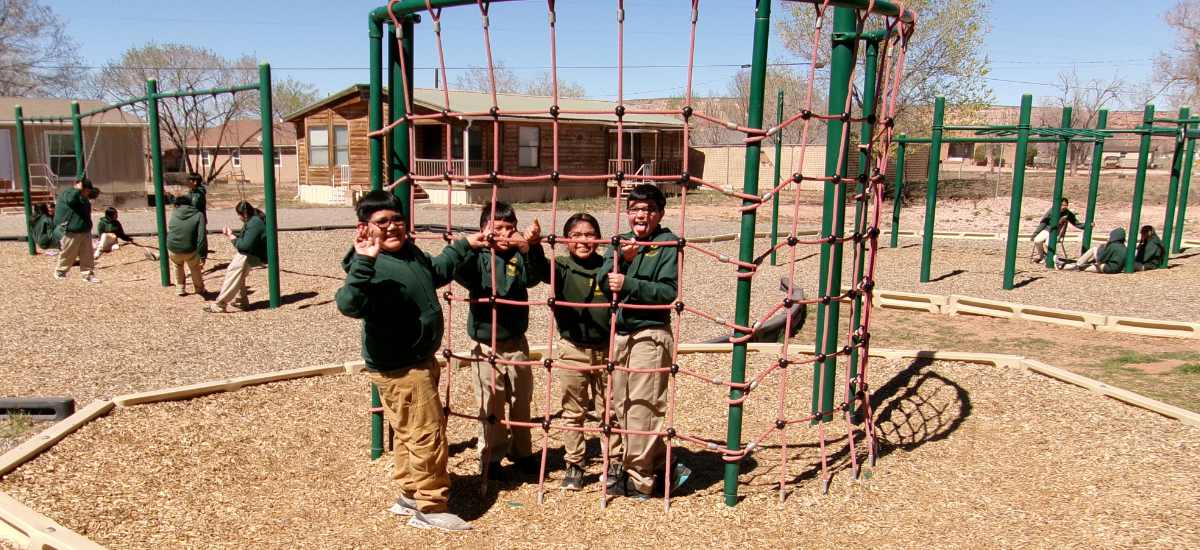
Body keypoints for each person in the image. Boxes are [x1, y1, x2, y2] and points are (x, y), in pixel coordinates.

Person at [336, 190, 484, 532]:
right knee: (427, 433)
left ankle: (410, 493)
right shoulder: (369, 267)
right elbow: (348, 304)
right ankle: (431, 506)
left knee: (408, 433)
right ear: (365, 227)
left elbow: (434, 271)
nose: (392, 227)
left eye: (397, 219)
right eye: (382, 222)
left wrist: (464, 245)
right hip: (400, 366)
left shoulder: (409, 253)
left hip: (417, 359)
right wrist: (363, 260)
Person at [600, 184, 687, 498]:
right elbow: (601, 277)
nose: (641, 214)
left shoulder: (668, 244)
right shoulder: (622, 243)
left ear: (660, 213)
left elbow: (668, 293)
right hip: (620, 334)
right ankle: (654, 462)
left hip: (649, 333)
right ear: (627, 213)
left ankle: (642, 479)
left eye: (649, 209)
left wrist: (629, 282)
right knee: (617, 406)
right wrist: (620, 260)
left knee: (642, 409)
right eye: (635, 208)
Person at [454, 201, 547, 482]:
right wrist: (470, 246)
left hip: (516, 341)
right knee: (490, 401)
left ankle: (522, 451)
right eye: (497, 228)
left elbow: (532, 279)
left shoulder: (518, 258)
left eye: (510, 228)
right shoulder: (480, 258)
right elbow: (460, 272)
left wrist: (529, 248)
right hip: (485, 343)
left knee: (521, 398)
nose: (505, 234)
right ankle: (491, 455)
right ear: (484, 230)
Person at [541, 212, 621, 491]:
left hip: (607, 348)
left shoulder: (609, 265)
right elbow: (538, 267)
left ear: (598, 238)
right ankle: (574, 463)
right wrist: (531, 245)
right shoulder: (561, 266)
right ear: (566, 240)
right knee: (573, 410)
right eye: (576, 235)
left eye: (589, 234)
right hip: (573, 348)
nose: (584, 240)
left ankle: (614, 460)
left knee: (608, 409)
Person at [203, 201, 266, 313]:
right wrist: (234, 235)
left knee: (232, 274)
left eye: (239, 215)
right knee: (238, 275)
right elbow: (248, 238)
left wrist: (231, 236)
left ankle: (220, 305)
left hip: (251, 254)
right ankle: (241, 301)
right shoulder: (255, 219)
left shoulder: (254, 223)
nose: (239, 218)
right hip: (253, 252)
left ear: (244, 214)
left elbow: (244, 245)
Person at [52, 178, 99, 283]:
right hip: (70, 230)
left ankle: (88, 274)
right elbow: (71, 201)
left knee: (87, 254)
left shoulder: (84, 197)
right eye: (87, 190)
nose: (89, 192)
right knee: (68, 253)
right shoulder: (68, 194)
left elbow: (94, 194)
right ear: (82, 188)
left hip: (84, 230)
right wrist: (76, 189)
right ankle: (60, 272)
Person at [166, 195, 207, 296]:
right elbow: (201, 236)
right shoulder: (199, 214)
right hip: (190, 249)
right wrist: (202, 254)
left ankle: (180, 288)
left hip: (173, 247)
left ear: (177, 205)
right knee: (194, 267)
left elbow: (171, 227)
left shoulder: (174, 213)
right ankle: (199, 289)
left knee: (177, 265)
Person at [1030, 198, 1084, 263]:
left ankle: (1052, 258)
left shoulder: (1067, 213)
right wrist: (1035, 234)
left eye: (1065, 205)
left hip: (1056, 232)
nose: (1063, 207)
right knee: (1037, 240)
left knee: (1048, 243)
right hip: (1047, 229)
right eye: (1062, 205)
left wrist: (1086, 226)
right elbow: (1043, 223)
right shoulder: (1052, 211)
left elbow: (1076, 223)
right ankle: (1042, 257)